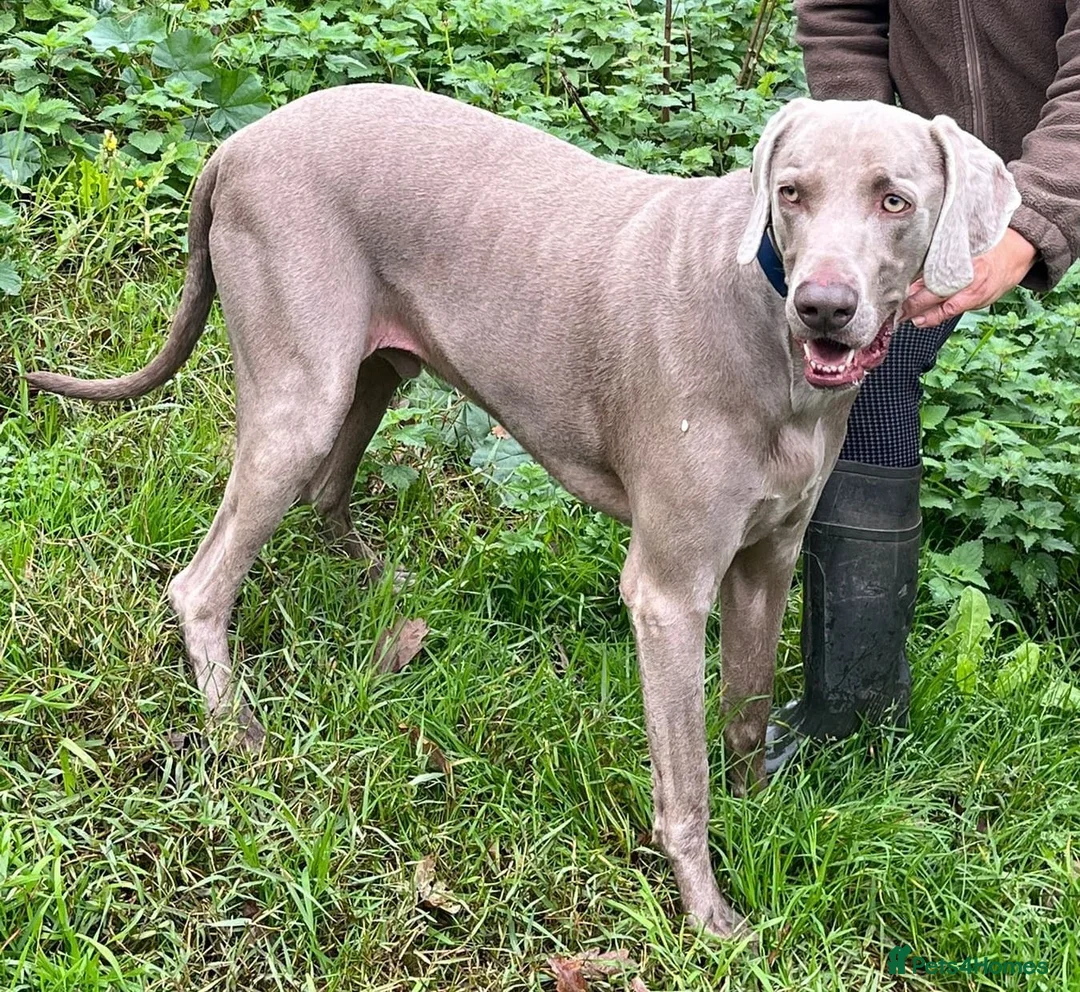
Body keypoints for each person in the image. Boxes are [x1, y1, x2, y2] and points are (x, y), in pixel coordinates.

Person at [766, 1, 1080, 770]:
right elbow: (840, 13)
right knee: (871, 371)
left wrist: (1031, 218)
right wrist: (875, 163)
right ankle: (854, 717)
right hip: (938, 170)